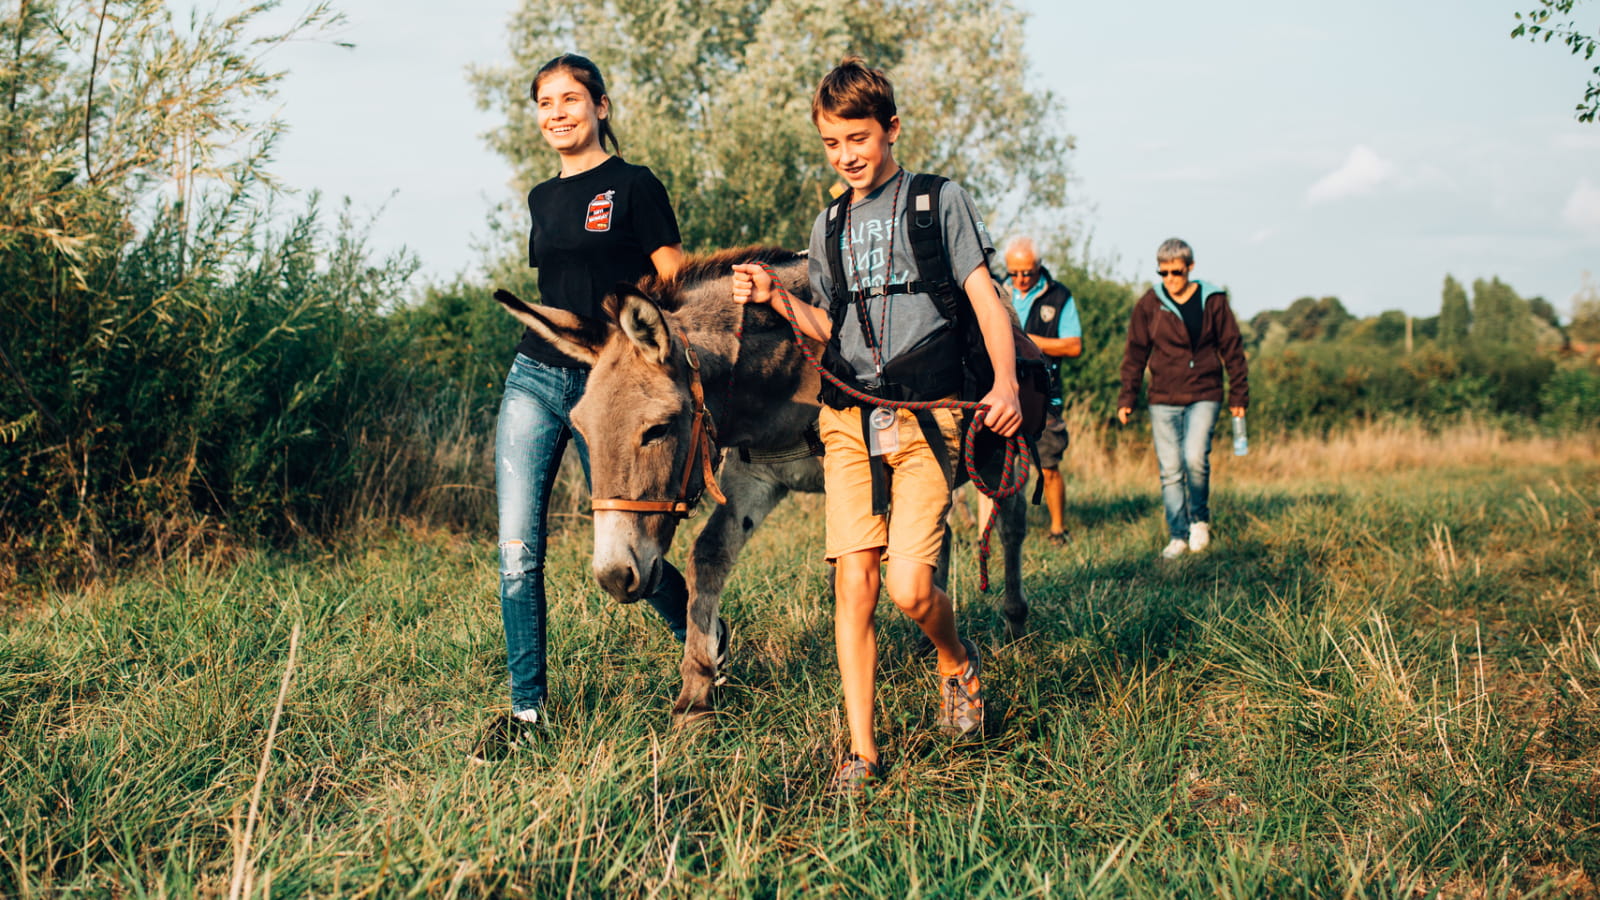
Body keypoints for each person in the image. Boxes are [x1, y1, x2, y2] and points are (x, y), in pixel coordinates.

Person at [730, 57, 1022, 792]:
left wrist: (1007, 383)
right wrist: (775, 298)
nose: (846, 156)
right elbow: (829, 326)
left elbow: (984, 297)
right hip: (847, 420)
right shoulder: (828, 224)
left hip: (926, 417)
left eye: (857, 138)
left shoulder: (937, 201)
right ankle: (862, 752)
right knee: (855, 586)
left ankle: (955, 659)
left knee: (910, 589)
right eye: (832, 143)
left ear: (891, 128)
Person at [473, 53, 722, 761]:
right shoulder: (541, 199)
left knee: (631, 538)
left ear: (601, 106)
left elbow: (676, 287)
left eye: (570, 99)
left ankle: (706, 642)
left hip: (612, 393)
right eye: (545, 102)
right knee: (518, 549)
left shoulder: (635, 185)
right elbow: (559, 296)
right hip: (533, 379)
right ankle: (527, 714)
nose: (557, 113)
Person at [1116, 238, 1248, 560]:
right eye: (1163, 273)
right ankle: (1178, 534)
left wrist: (1239, 394)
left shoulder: (1213, 300)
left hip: (1204, 392)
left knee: (1194, 457)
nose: (1170, 279)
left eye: (1176, 272)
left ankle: (1199, 519)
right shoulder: (1150, 303)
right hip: (1163, 395)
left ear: (1190, 268)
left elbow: (1232, 348)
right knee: (1171, 469)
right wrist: (1127, 396)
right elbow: (1135, 352)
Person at [1002, 236, 1082, 542]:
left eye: (1027, 272)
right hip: (1004, 389)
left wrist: (1029, 341)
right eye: (1014, 272)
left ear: (1039, 266)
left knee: (1048, 464)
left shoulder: (1059, 296)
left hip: (1043, 393)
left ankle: (1058, 529)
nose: (1021, 279)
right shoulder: (997, 291)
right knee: (1002, 467)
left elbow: (1073, 345)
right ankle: (998, 530)